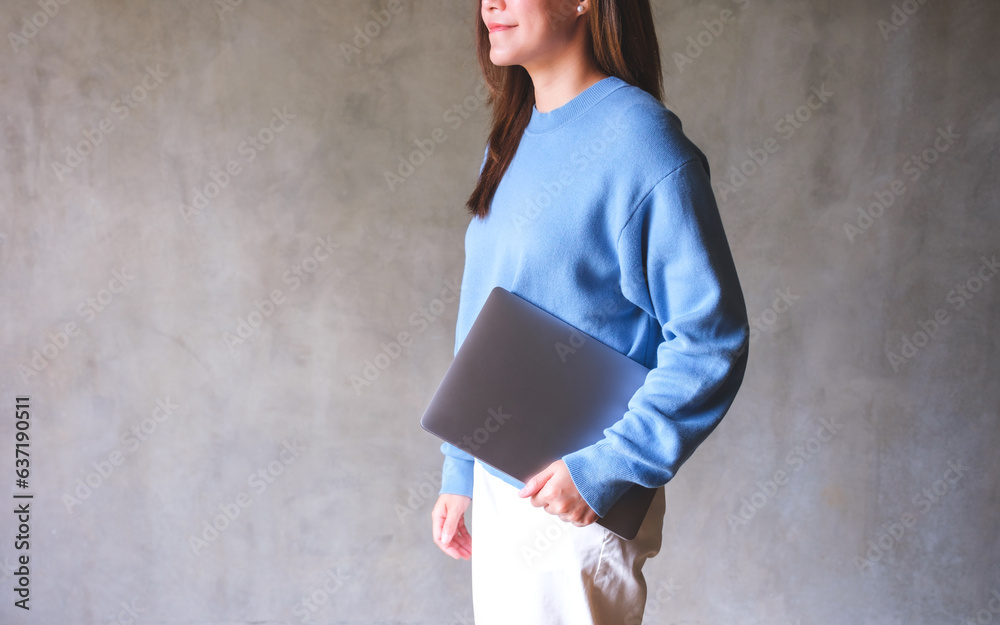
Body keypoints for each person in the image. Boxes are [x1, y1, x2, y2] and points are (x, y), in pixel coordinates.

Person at [430, 1, 749, 623]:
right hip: (504, 480)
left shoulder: (640, 140)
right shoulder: (512, 138)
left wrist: (606, 468)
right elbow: (483, 310)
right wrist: (461, 466)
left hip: (578, 494)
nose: (489, 3)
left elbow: (711, 340)